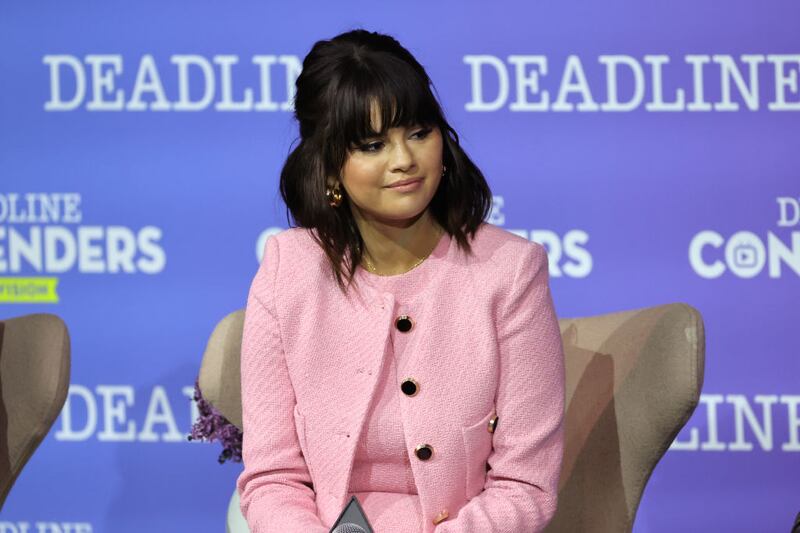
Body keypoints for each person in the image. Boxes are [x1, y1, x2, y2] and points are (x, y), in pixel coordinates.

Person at [237, 28, 565, 533]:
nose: (404, 160)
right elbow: (273, 478)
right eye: (372, 144)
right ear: (328, 168)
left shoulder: (510, 271)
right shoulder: (289, 269)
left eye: (418, 131)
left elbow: (524, 486)